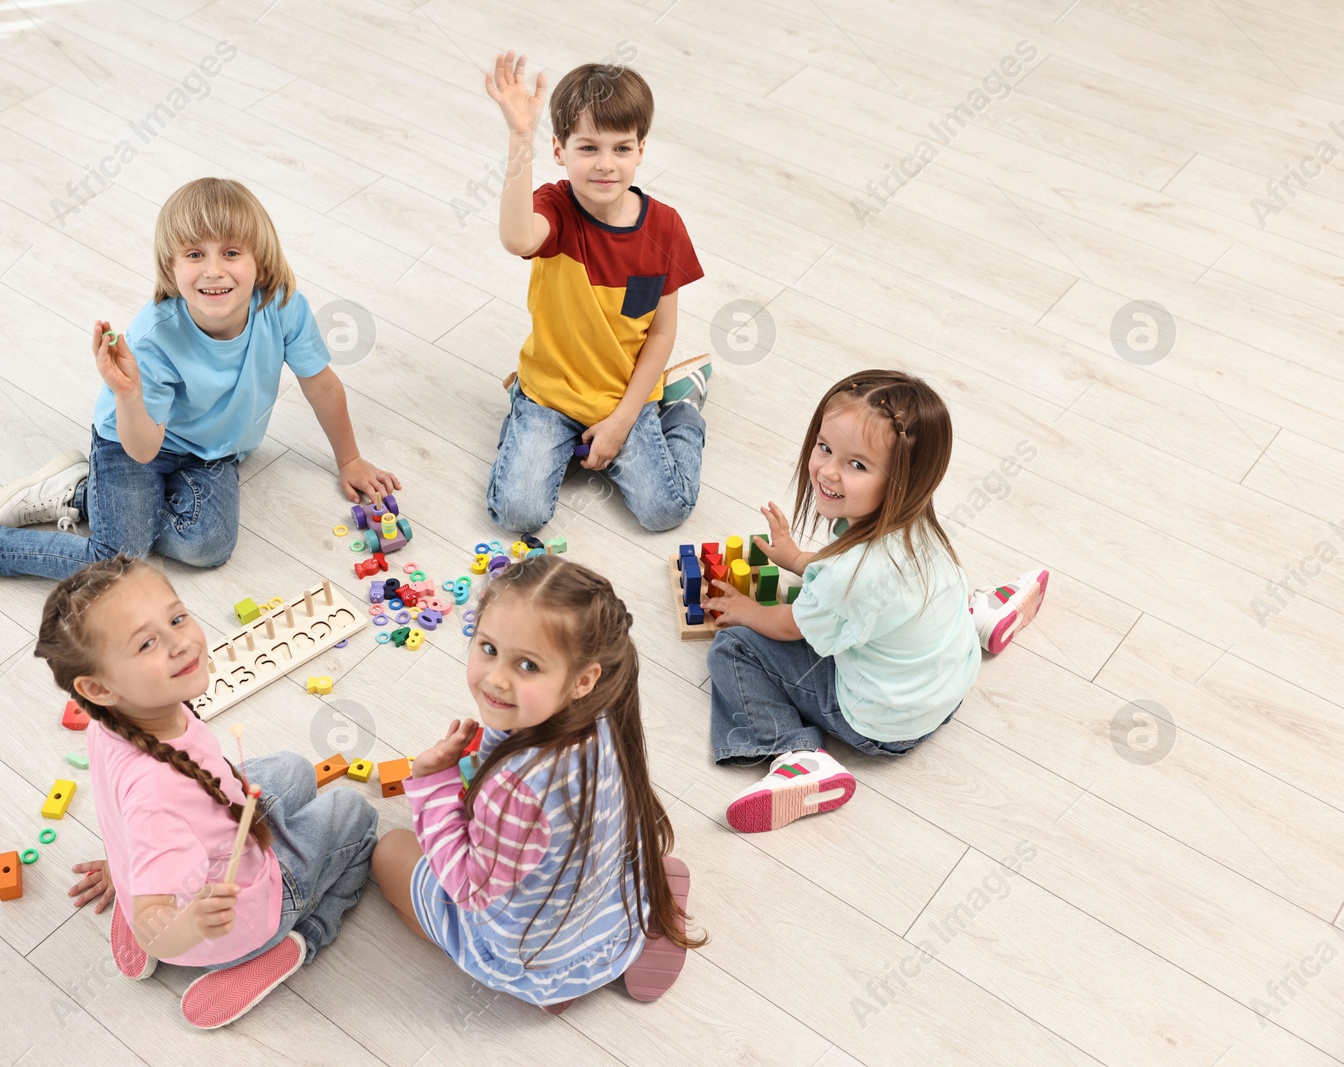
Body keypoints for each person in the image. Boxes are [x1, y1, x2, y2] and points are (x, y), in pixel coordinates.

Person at [0, 177, 397, 610]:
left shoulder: (283, 306)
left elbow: (321, 385)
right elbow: (143, 448)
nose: (214, 270)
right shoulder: (153, 338)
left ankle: (80, 493)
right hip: (132, 441)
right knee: (117, 563)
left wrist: (348, 459)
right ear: (172, 266)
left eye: (231, 252)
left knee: (208, 546)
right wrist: (126, 393)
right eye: (195, 254)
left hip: (213, 450)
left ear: (259, 261)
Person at [41, 555, 377, 1029]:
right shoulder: (158, 800)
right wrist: (186, 925)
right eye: (147, 643)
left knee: (296, 769)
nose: (181, 643)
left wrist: (129, 868)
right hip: (241, 917)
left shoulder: (108, 723)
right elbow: (154, 836)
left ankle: (143, 891)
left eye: (177, 618)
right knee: (354, 813)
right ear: (98, 686)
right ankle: (298, 940)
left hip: (191, 857)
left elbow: (127, 813)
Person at [706, 371, 1048, 833]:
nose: (828, 471)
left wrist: (746, 612)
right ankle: (981, 616)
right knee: (924, 602)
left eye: (857, 465)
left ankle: (798, 758)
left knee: (733, 648)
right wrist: (797, 559)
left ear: (903, 479)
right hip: (947, 688)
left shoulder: (850, 575)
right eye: (825, 448)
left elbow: (790, 625)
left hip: (882, 725)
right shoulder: (917, 524)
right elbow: (853, 583)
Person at [372, 555, 705, 1011]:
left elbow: (470, 890)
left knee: (388, 851)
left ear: (583, 679)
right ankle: (630, 928)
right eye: (488, 648)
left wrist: (432, 784)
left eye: (527, 665)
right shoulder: (604, 709)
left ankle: (552, 985)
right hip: (607, 894)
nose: (496, 679)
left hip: (533, 953)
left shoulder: (514, 790)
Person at [483, 52, 710, 534]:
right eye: (588, 148)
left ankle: (683, 408)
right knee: (518, 514)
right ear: (560, 150)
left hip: (624, 395)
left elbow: (663, 331)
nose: (606, 165)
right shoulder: (555, 207)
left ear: (641, 150)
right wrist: (519, 137)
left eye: (621, 149)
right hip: (552, 394)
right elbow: (516, 239)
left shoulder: (665, 226)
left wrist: (623, 420)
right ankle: (525, 414)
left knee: (664, 511)